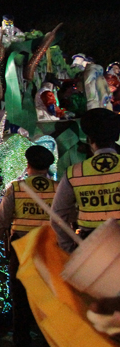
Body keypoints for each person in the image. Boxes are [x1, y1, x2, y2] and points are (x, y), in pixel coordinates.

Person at [0, 145, 56, 347]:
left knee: (20, 297)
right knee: (49, 297)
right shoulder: (58, 187)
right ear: (48, 166)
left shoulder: (16, 188)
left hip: (22, 246)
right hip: (48, 247)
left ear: (28, 164)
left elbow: (2, 219)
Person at [52, 108, 120, 252]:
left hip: (90, 249)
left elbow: (57, 217)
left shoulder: (74, 173)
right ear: (116, 137)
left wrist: (70, 249)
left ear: (89, 139)